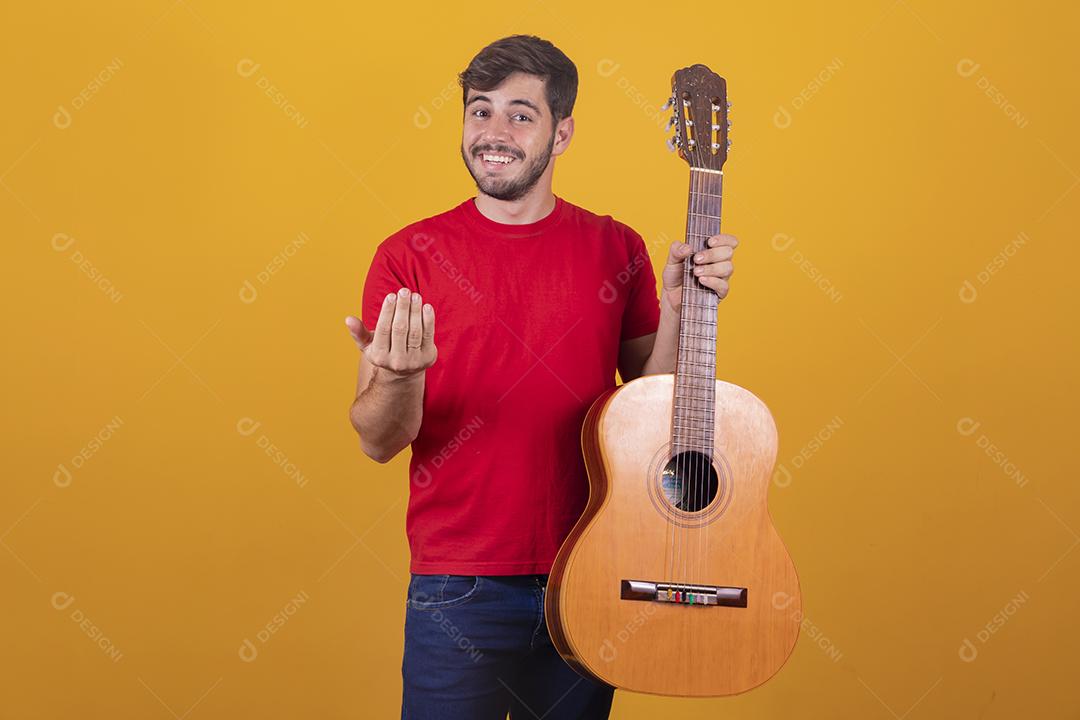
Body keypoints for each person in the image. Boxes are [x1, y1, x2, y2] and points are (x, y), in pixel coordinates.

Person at [344, 34, 737, 720]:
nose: (494, 133)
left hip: (591, 565)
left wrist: (680, 308)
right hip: (457, 585)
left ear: (563, 132)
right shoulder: (409, 256)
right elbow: (378, 440)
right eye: (480, 111)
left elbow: (656, 402)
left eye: (520, 115)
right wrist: (400, 376)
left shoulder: (616, 247)